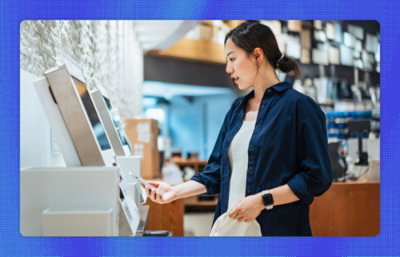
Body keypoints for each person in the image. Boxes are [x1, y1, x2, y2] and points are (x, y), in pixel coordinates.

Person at [144, 21, 333, 236]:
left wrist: (263, 200)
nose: (228, 68)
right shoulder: (236, 109)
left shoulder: (300, 107)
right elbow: (216, 172)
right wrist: (174, 191)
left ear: (257, 56)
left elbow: (317, 177)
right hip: (230, 231)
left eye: (232, 58)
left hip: (276, 232)